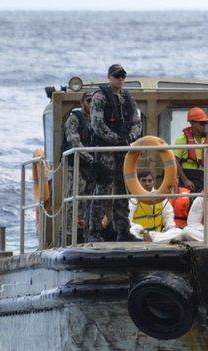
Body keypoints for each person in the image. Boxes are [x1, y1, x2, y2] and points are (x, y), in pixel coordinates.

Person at [87, 64, 142, 242]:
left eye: (123, 76)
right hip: (105, 151)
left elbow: (137, 122)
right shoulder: (100, 97)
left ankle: (123, 231)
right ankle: (93, 231)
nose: (120, 79)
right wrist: (115, 139)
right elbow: (97, 124)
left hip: (123, 150)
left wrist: (129, 138)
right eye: (117, 75)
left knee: (122, 190)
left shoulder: (128, 98)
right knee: (102, 190)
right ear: (109, 77)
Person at [61, 91, 98, 243]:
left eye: (94, 101)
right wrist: (90, 158)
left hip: (92, 167)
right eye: (89, 101)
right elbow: (74, 141)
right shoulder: (74, 119)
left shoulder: (98, 120)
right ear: (83, 102)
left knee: (91, 200)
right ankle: (69, 235)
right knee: (74, 200)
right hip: (75, 166)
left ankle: (89, 233)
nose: (92, 104)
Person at [128, 171, 181, 242]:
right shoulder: (133, 199)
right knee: (131, 231)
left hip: (158, 235)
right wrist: (143, 231)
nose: (147, 183)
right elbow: (128, 221)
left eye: (150, 181)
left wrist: (171, 228)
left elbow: (168, 217)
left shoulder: (161, 197)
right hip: (141, 235)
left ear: (153, 182)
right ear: (138, 182)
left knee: (179, 232)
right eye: (144, 181)